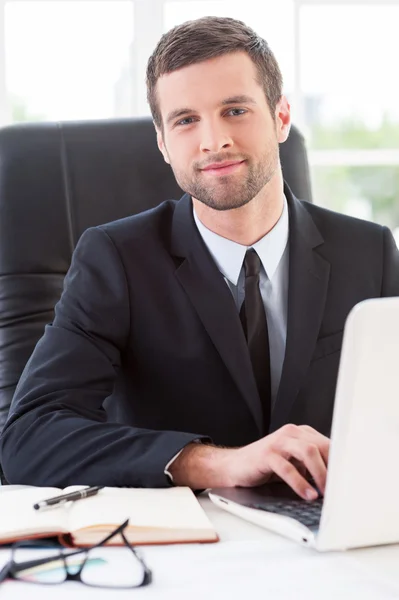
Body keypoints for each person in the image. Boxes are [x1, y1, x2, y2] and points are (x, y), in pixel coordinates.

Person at [1, 17, 399, 500]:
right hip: (184, 546)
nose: (213, 141)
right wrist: (216, 463)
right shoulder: (117, 260)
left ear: (281, 117)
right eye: (186, 120)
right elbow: (28, 439)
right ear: (163, 143)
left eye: (235, 110)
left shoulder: (369, 251)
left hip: (327, 531)